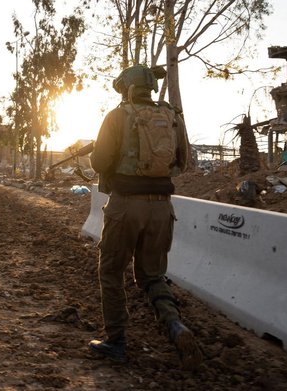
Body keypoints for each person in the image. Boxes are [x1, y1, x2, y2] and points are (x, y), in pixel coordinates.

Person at [87, 65, 201, 370]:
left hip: (126, 205)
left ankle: (116, 342)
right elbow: (183, 162)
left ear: (126, 87)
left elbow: (99, 163)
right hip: (162, 208)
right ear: (150, 87)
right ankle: (175, 326)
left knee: (111, 272)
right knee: (152, 275)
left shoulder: (117, 115)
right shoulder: (171, 116)